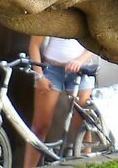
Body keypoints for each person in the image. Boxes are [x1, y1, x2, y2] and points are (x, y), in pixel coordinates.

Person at [22, 35, 96, 168]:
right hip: (51, 69)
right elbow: (34, 45)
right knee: (39, 127)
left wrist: (80, 60)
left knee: (82, 126)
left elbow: (95, 42)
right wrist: (39, 76)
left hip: (82, 69)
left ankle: (87, 164)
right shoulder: (49, 14)